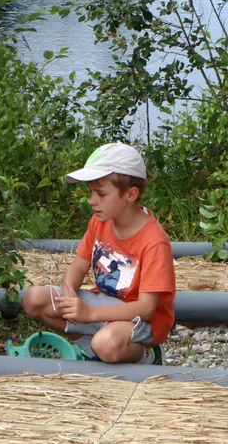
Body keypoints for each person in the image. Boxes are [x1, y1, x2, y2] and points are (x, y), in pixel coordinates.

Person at [21, 143, 176, 364]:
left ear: (131, 194)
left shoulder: (154, 241)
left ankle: (146, 355)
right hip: (103, 303)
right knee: (34, 299)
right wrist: (69, 294)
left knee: (107, 343)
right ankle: (89, 348)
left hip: (139, 319)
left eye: (101, 194)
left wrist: (89, 314)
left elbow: (146, 308)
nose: (92, 200)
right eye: (91, 192)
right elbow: (77, 266)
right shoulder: (100, 221)